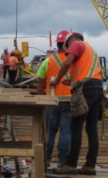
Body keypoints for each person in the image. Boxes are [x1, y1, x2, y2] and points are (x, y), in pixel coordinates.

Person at [51, 32, 103, 176]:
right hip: (97, 88)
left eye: (67, 48)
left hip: (86, 90)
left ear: (71, 41)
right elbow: (86, 73)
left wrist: (56, 81)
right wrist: (72, 81)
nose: (68, 51)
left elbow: (67, 63)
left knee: (76, 126)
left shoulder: (75, 44)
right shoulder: (91, 50)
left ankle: (70, 164)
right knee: (91, 129)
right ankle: (90, 166)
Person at [37, 30, 72, 168]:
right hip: (69, 101)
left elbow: (40, 81)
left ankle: (46, 161)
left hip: (51, 101)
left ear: (57, 44)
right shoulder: (73, 60)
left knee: (50, 131)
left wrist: (40, 100)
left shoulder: (48, 60)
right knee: (66, 130)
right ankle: (62, 162)